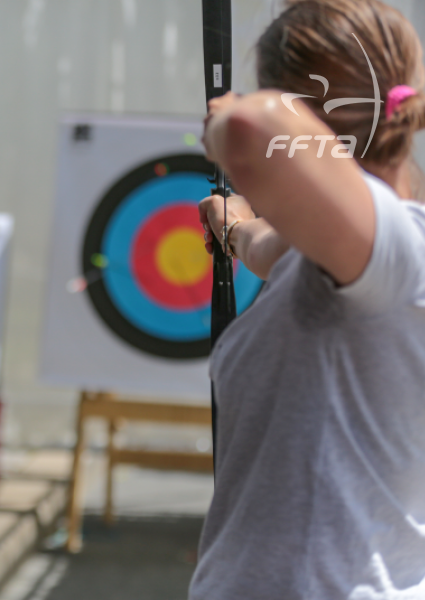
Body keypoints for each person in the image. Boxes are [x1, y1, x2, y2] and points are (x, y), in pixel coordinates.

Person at [192, 0, 425, 598]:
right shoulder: (342, 260)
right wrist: (234, 227)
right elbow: (271, 247)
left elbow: (250, 130)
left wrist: (230, 120)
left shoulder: (400, 251)